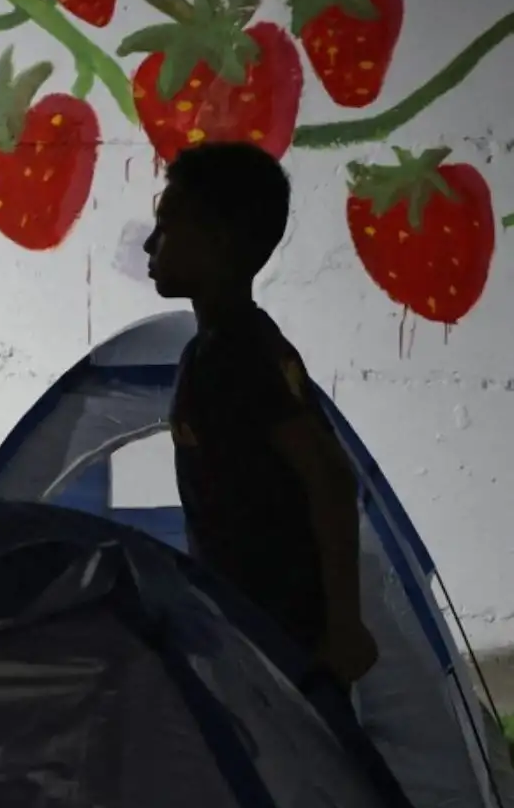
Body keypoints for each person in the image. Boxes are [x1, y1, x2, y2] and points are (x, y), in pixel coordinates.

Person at [143, 141, 379, 691]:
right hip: (247, 626)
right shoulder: (220, 349)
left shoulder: (239, 355)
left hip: (284, 636)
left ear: (218, 241)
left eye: (168, 225)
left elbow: (329, 478)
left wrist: (343, 627)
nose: (152, 244)